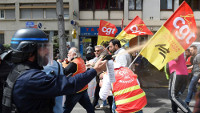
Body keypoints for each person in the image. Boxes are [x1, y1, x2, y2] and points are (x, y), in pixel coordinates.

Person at [2, 28, 107, 113]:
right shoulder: (30, 78)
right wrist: (95, 70)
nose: (48, 51)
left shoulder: (18, 69)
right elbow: (70, 84)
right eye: (43, 48)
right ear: (29, 51)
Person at [63, 47, 94, 113]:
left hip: (75, 90)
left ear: (74, 54)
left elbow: (64, 71)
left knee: (66, 109)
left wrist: (64, 63)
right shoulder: (81, 60)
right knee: (89, 107)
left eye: (69, 53)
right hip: (83, 87)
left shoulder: (74, 63)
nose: (68, 54)